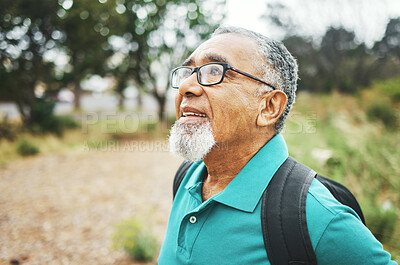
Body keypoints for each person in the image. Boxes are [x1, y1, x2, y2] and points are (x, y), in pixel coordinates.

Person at [158, 25, 397, 265]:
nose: (187, 86)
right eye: (188, 72)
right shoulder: (186, 177)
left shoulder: (317, 215)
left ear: (269, 107)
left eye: (215, 71)